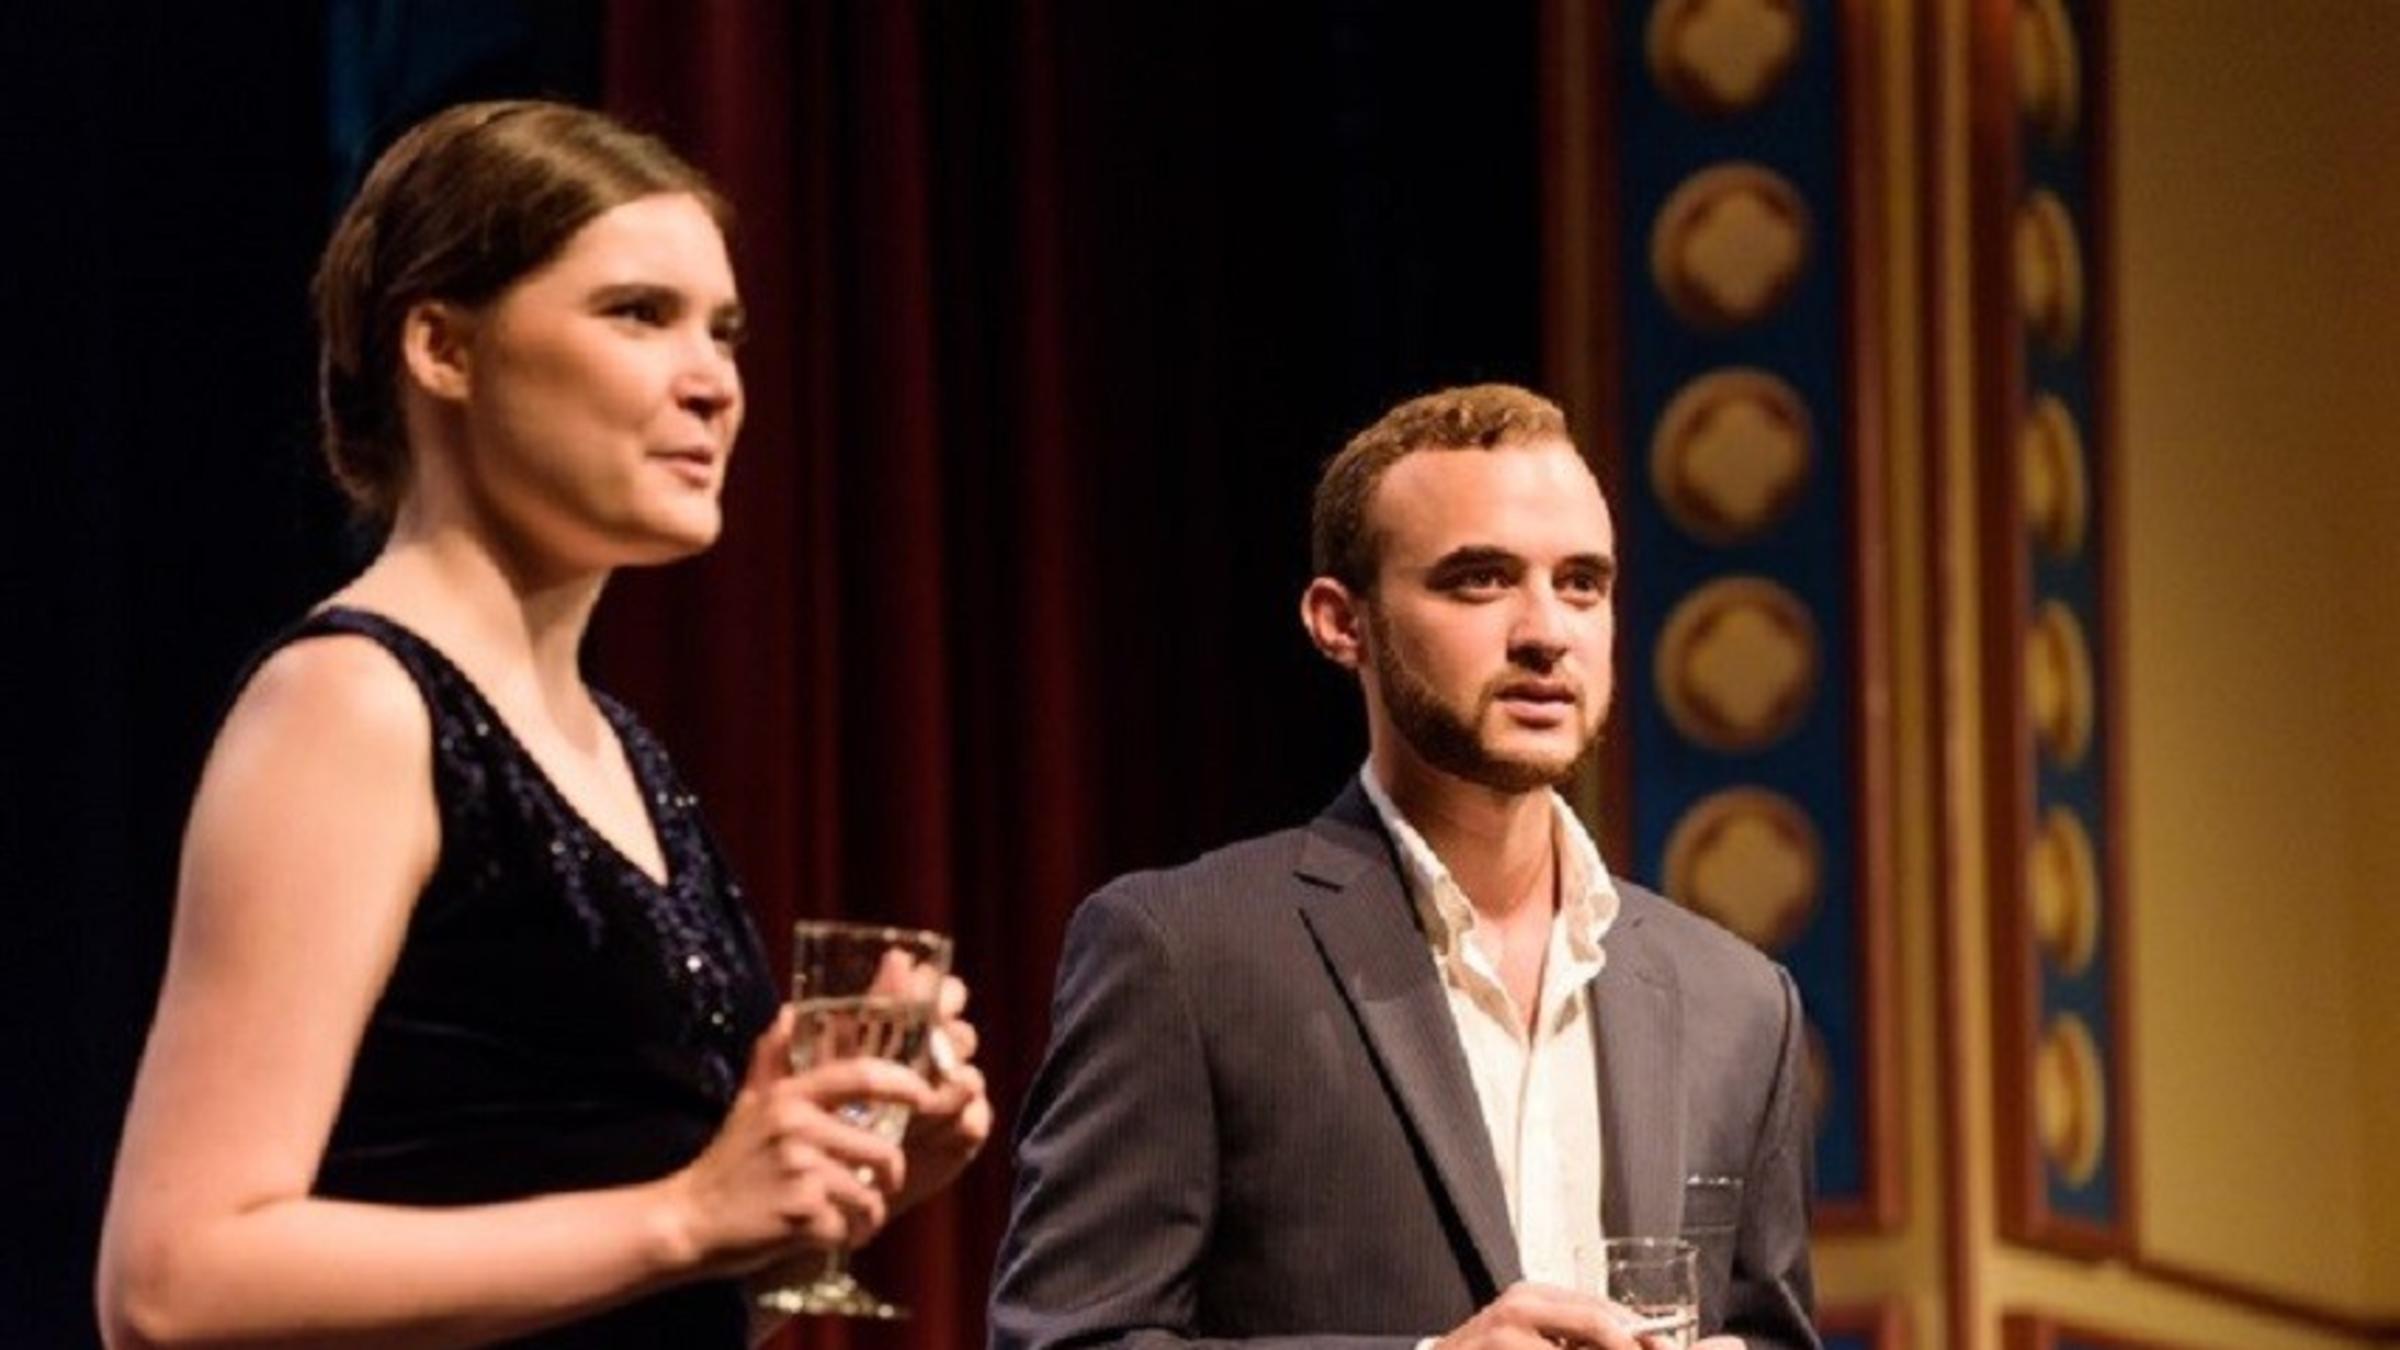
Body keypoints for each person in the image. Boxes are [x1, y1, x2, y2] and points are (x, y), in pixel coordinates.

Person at [96, 100, 990, 1348]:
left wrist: (822, 1199)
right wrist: (689, 1214)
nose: (714, 382)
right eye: (638, 314)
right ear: (443, 348)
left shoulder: (622, 751)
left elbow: (626, 1301)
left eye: (725, 332)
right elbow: (175, 1284)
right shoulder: (351, 707)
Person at [991, 384, 1817, 1349]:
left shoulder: (1740, 1001)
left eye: (1582, 582)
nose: (1546, 630)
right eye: (1480, 580)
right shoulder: (1183, 954)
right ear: (1342, 622)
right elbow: (1066, 1340)